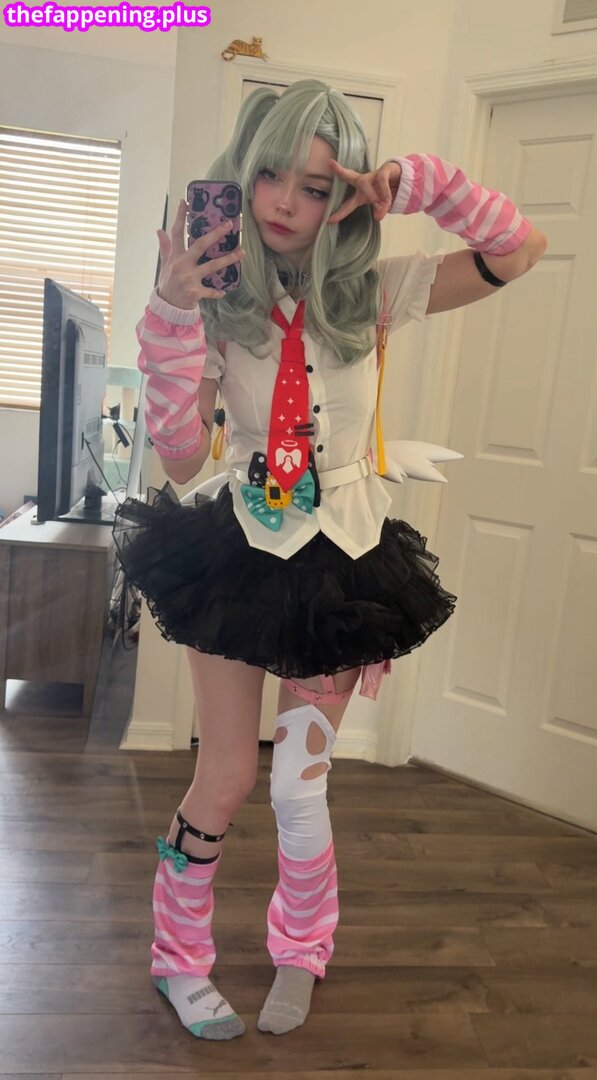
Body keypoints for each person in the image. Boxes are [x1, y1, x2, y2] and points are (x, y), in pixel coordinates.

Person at [113, 79, 547, 1041]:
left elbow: (519, 248)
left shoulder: (377, 291)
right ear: (240, 175)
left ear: (343, 198)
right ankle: (177, 959)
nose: (282, 202)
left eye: (314, 186)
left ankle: (303, 949)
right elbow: (181, 459)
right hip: (235, 552)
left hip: (342, 560)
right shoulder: (214, 305)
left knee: (297, 785)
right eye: (268, 174)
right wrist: (171, 316)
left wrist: (416, 183)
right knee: (225, 774)